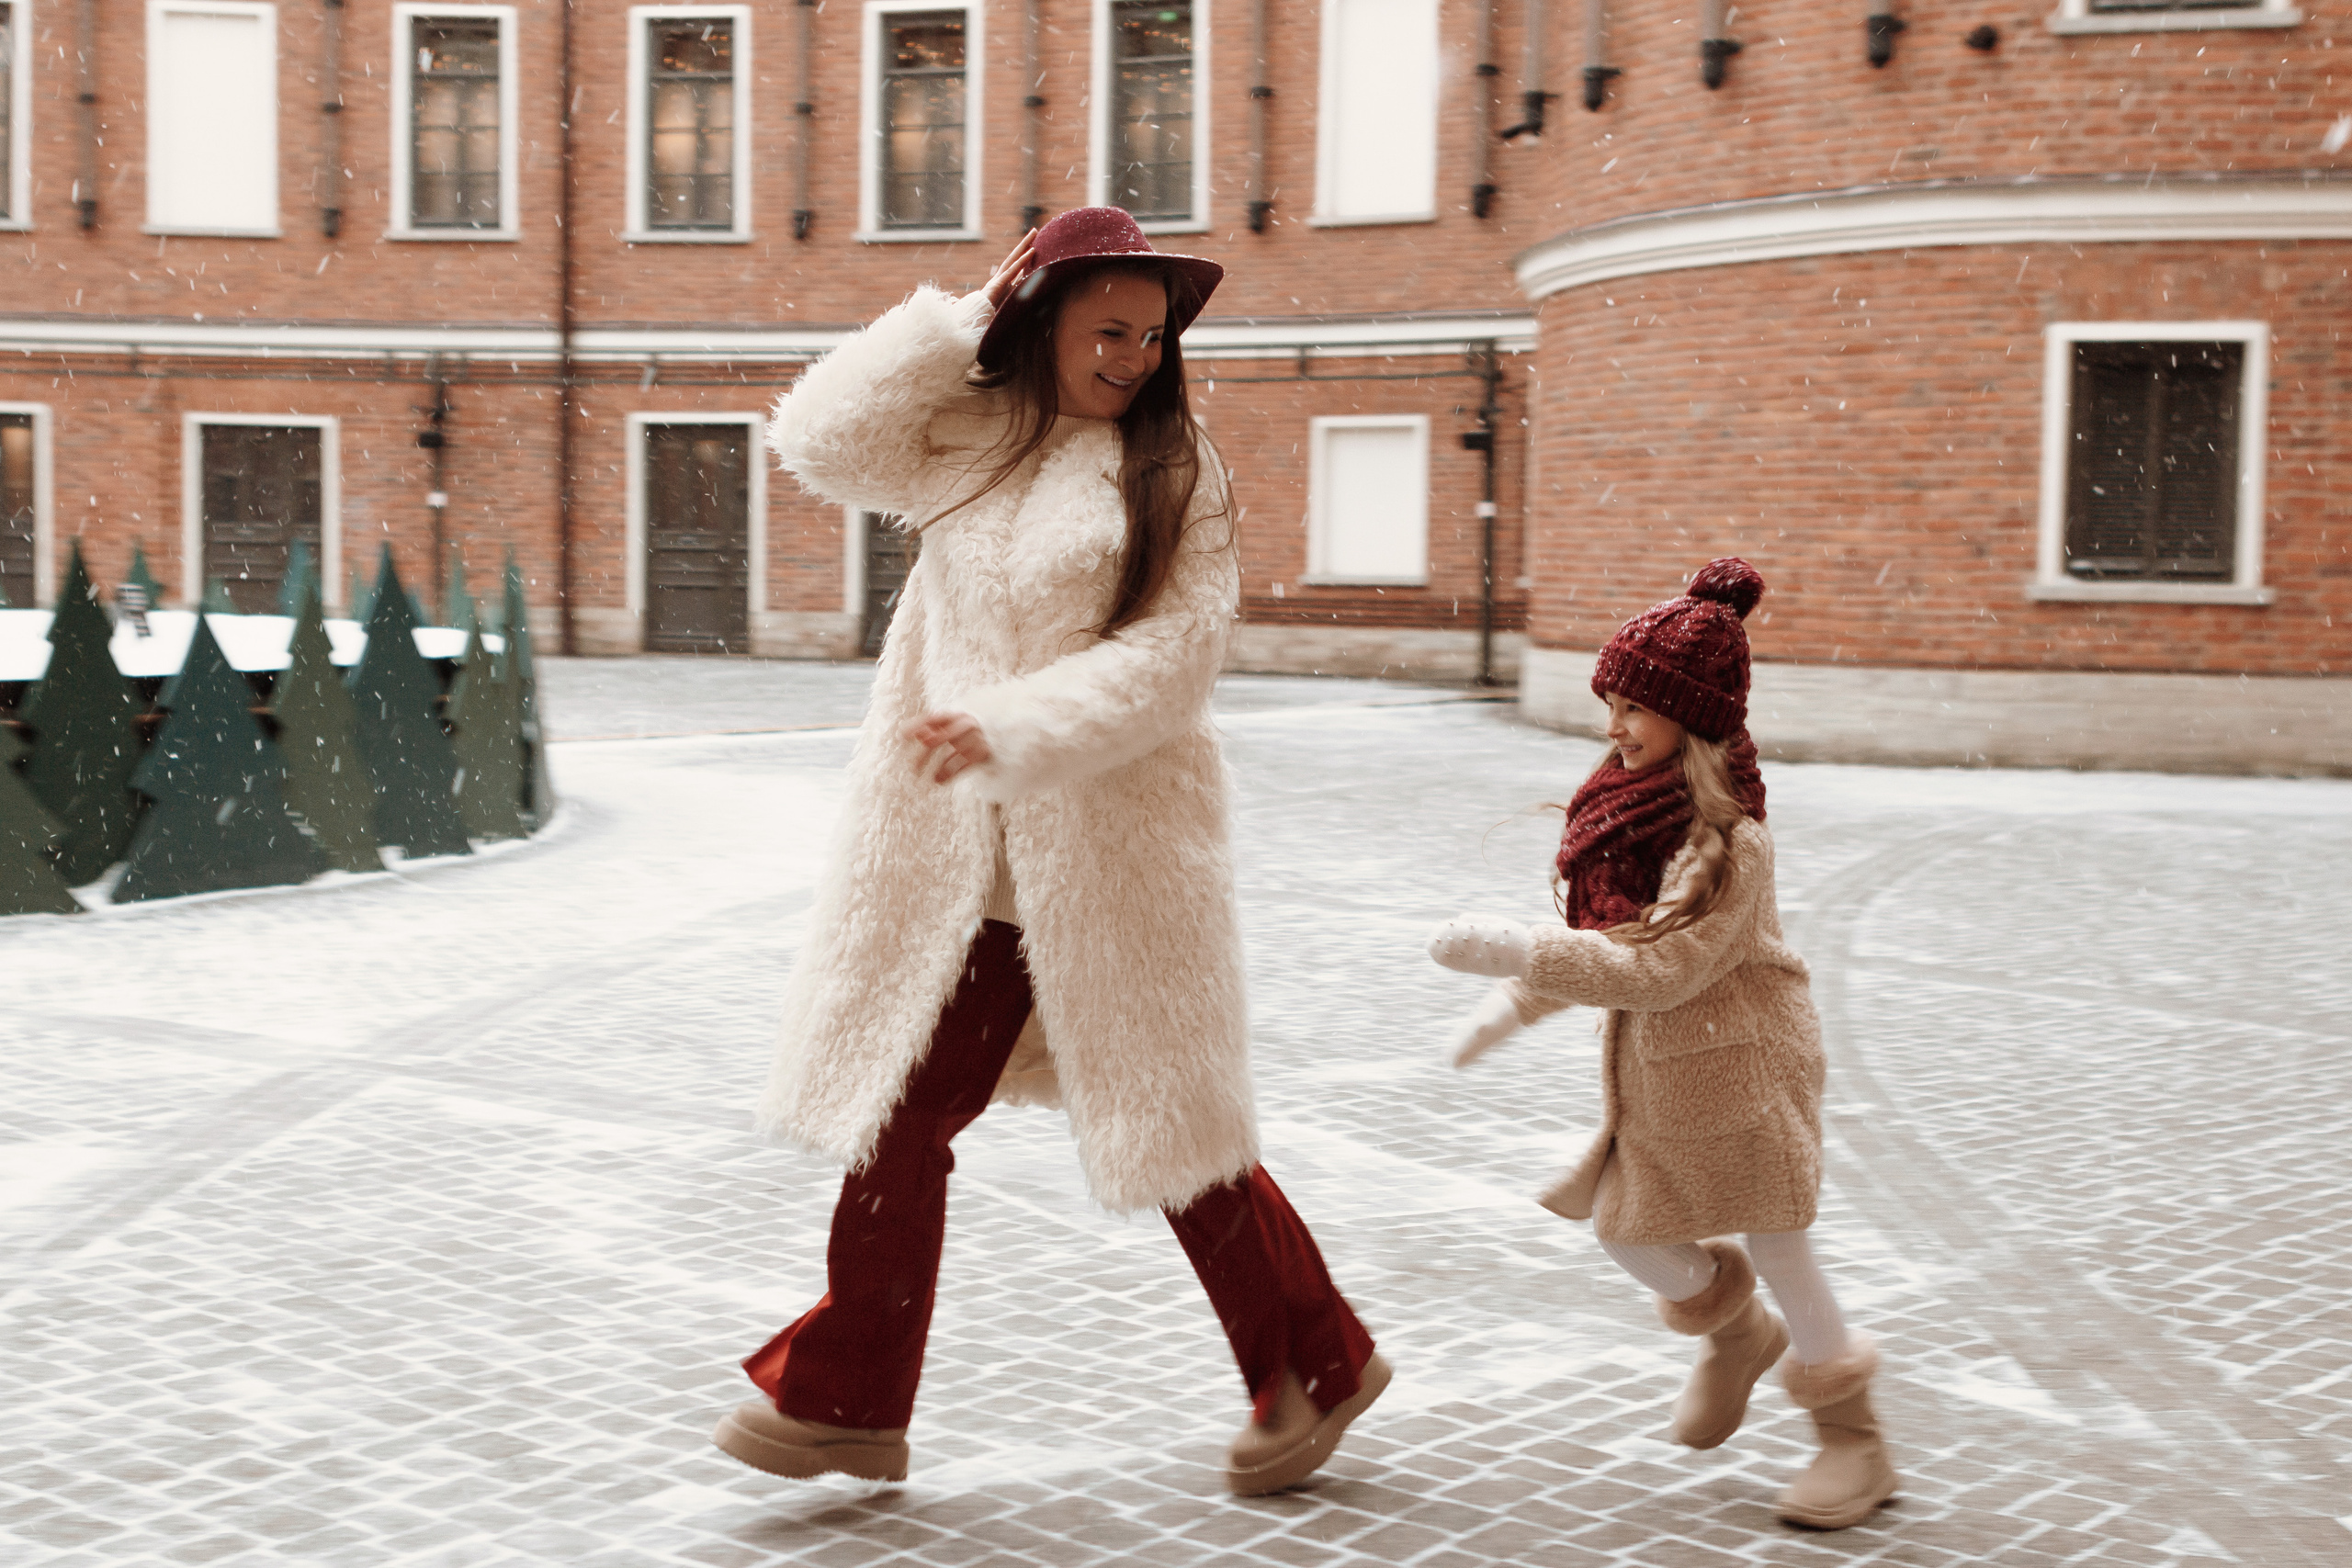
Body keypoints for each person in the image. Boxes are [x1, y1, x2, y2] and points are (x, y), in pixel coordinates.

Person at [712, 208, 1388, 1497]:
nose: (1133, 357)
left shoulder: (1177, 468)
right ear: (1043, 322)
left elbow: (1173, 659)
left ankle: (1313, 1365)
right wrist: (970, 317)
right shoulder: (969, 434)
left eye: (1152, 335)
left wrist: (1016, 727)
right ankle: (851, 1395)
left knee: (1171, 1129)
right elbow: (819, 438)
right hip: (956, 862)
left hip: (1110, 851)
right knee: (903, 1114)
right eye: (1107, 329)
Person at [1423, 558, 1898, 1531]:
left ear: (1691, 715)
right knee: (1627, 1230)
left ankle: (1854, 1441)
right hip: (1667, 1079)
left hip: (1750, 1068)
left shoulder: (1730, 842)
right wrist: (1514, 1003)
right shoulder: (1636, 817)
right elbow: (1616, 942)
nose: (1616, 726)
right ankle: (1738, 1334)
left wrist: (1519, 950)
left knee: (1780, 1242)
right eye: (1611, 704)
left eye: (1635, 706)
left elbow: (1661, 969)